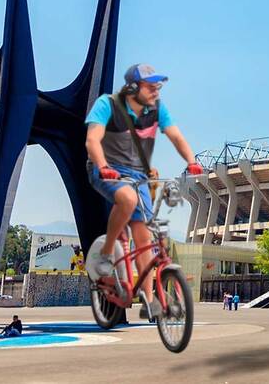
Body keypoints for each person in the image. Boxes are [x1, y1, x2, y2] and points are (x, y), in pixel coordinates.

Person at [86, 64, 203, 320]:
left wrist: (191, 161)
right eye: (150, 86)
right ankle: (106, 253)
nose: (156, 91)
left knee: (144, 237)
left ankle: (149, 300)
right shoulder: (108, 104)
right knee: (127, 198)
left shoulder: (157, 109)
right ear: (132, 87)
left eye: (157, 86)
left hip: (139, 176)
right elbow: (92, 140)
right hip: (107, 170)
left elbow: (175, 135)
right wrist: (103, 166)